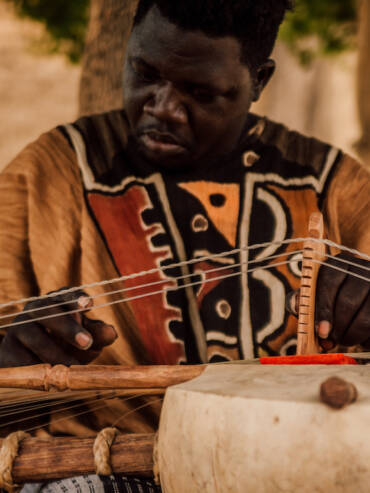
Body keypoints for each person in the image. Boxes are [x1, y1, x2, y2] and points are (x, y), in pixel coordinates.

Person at [0, 0, 369, 491]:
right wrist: (11, 364)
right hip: (100, 472)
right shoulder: (48, 175)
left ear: (258, 80)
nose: (163, 108)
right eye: (144, 72)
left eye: (200, 92)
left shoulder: (337, 187)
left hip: (294, 468)